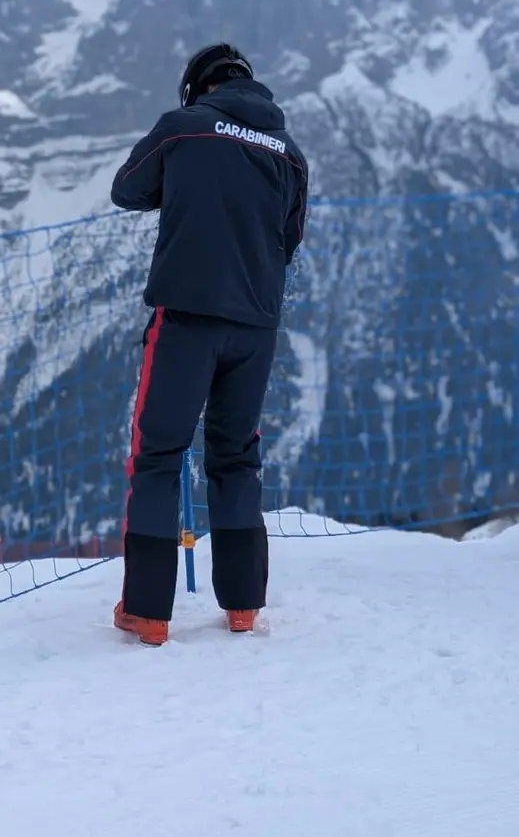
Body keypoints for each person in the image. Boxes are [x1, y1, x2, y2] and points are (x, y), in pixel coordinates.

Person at [108, 42, 309, 647]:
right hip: (255, 327)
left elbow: (127, 189)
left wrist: (189, 192)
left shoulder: (182, 129)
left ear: (198, 89)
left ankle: (147, 613)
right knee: (236, 456)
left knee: (158, 456)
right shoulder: (290, 154)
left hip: (187, 319)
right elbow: (289, 239)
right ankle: (243, 606)